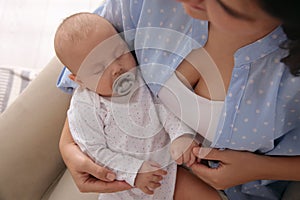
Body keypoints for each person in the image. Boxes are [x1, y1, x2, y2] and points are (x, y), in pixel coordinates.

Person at [57, 0, 300, 199]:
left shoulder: (289, 78)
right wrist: (69, 144)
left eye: (221, 4)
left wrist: (261, 169)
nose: (186, 3)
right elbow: (85, 50)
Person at [54, 12, 205, 199]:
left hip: (167, 173)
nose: (117, 68)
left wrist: (180, 134)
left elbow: (163, 107)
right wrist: (134, 171)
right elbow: (95, 152)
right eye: (100, 68)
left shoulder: (141, 77)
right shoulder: (84, 107)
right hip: (122, 186)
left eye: (119, 53)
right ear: (79, 80)